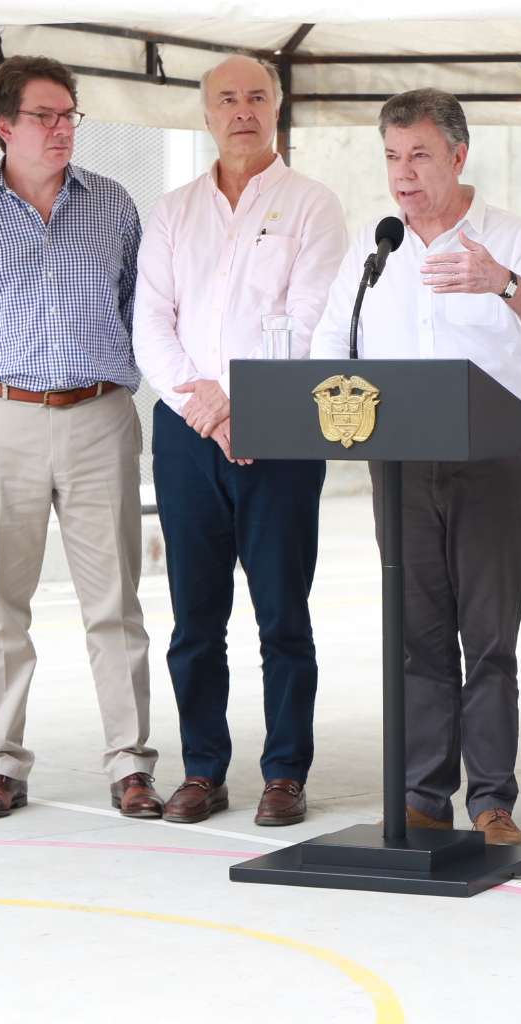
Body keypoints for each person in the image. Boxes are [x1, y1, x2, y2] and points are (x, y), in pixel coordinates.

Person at [310, 88, 521, 846]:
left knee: (487, 640)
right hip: (399, 465)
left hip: (491, 462)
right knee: (418, 636)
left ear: (459, 155)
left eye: (419, 155)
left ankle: (491, 801)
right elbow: (330, 345)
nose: (403, 173)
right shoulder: (376, 248)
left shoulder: (509, 238)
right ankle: (424, 796)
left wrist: (503, 283)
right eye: (392, 156)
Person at [0, 55, 159, 820]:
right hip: (0, 421)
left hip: (99, 417)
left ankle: (130, 764)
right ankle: (1, 764)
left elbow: (140, 307)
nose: (62, 129)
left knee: (115, 602)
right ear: (4, 126)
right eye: (45, 116)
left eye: (69, 115)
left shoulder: (112, 205)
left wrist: (107, 383)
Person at [133, 54, 346, 827]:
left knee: (282, 615)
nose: (243, 110)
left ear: (277, 108)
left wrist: (244, 404)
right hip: (188, 431)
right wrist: (209, 409)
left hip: (281, 429)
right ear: (206, 115)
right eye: (228, 99)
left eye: (257, 96)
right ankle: (202, 769)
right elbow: (150, 321)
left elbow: (312, 316)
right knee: (195, 619)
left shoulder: (313, 205)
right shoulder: (173, 211)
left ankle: (284, 772)